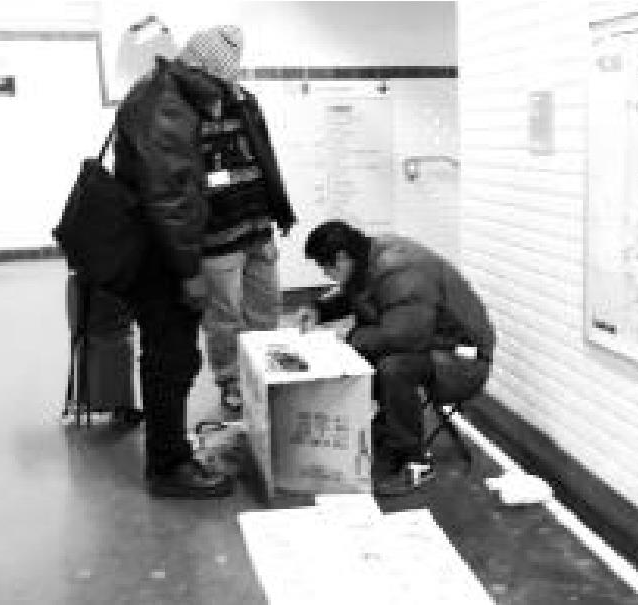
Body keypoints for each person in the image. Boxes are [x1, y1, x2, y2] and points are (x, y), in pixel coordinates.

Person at [113, 31, 266, 498]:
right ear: (203, 71)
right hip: (160, 259)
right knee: (170, 361)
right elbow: (171, 202)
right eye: (221, 83)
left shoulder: (162, 93)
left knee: (171, 359)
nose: (223, 94)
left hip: (157, 251)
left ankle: (172, 454)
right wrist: (189, 272)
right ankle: (168, 468)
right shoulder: (166, 108)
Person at [300, 220, 496, 496]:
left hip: (464, 360)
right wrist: (320, 310)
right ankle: (388, 429)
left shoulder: (400, 269)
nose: (325, 274)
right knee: (367, 354)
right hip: (433, 344)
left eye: (326, 267)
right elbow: (360, 295)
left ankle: (416, 462)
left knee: (393, 368)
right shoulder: (369, 260)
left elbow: (404, 337)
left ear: (342, 257)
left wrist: (350, 340)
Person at [177, 26, 296, 414]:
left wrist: (280, 209)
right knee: (224, 315)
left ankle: (264, 372)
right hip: (216, 234)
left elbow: (267, 157)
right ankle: (230, 380)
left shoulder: (245, 100)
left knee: (267, 306)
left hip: (257, 224)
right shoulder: (182, 109)